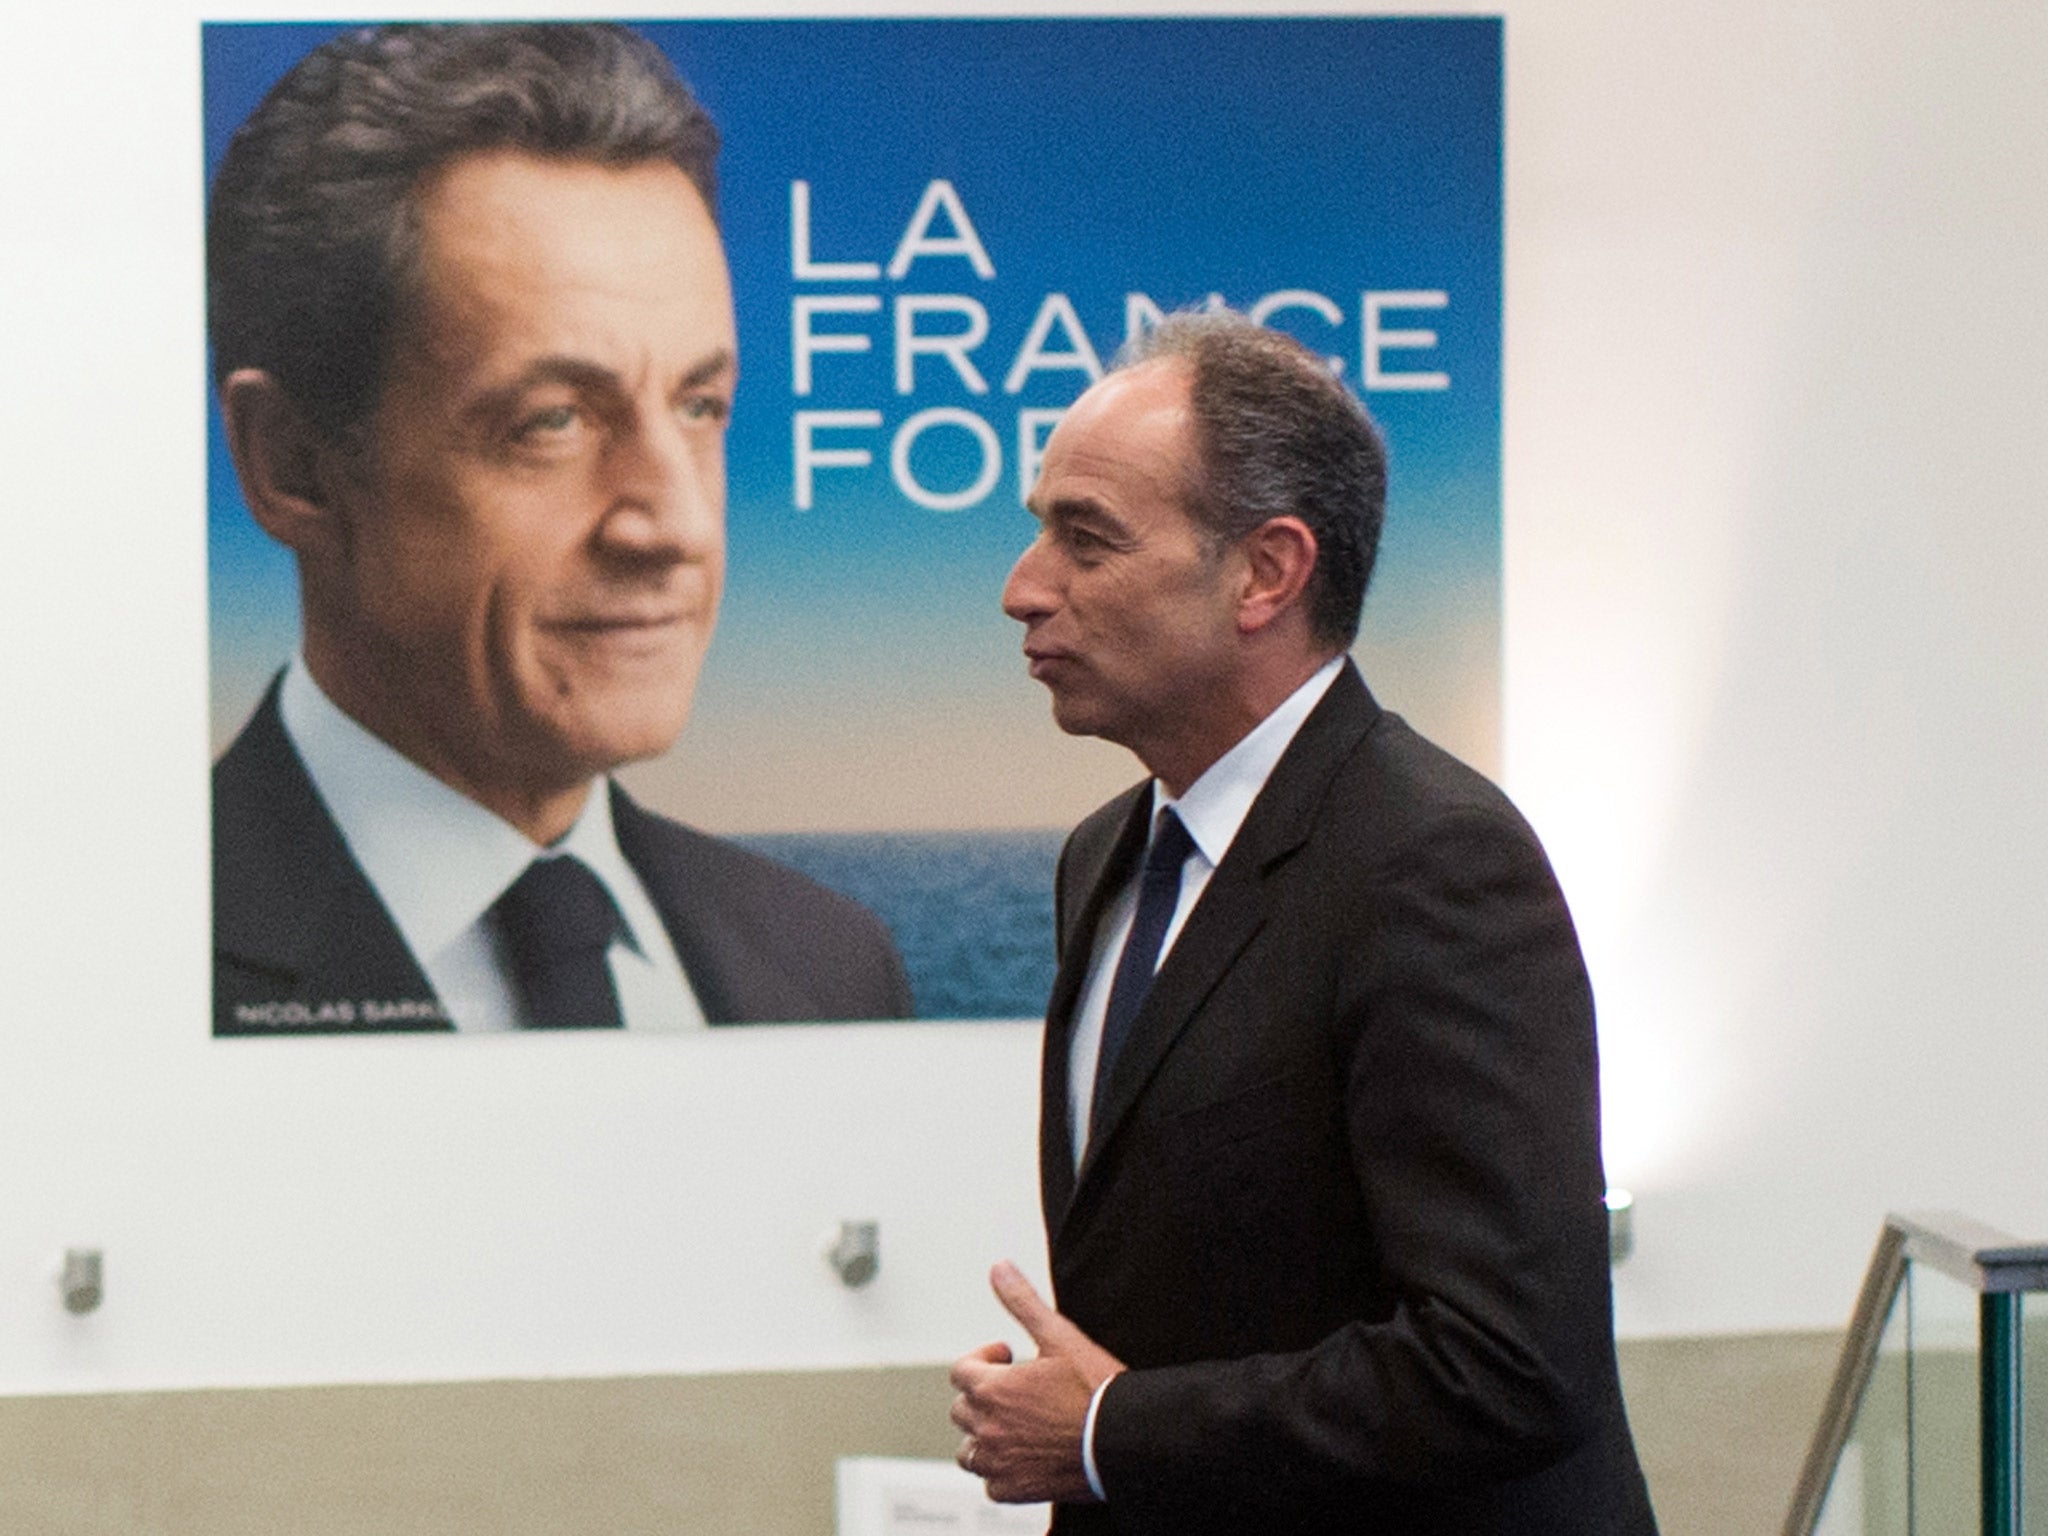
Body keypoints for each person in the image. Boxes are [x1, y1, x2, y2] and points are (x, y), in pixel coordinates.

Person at [949, 312, 1658, 1533]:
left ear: (1266, 573)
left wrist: (1110, 1433)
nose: (1024, 591)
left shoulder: (1432, 862)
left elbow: (1506, 1363)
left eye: (1086, 540)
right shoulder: (1102, 862)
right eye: (1035, 534)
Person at [207, 23, 912, 1035]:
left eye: (699, 407)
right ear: (292, 467)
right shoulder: (101, 959)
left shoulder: (831, 964)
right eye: (552, 421)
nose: (674, 526)